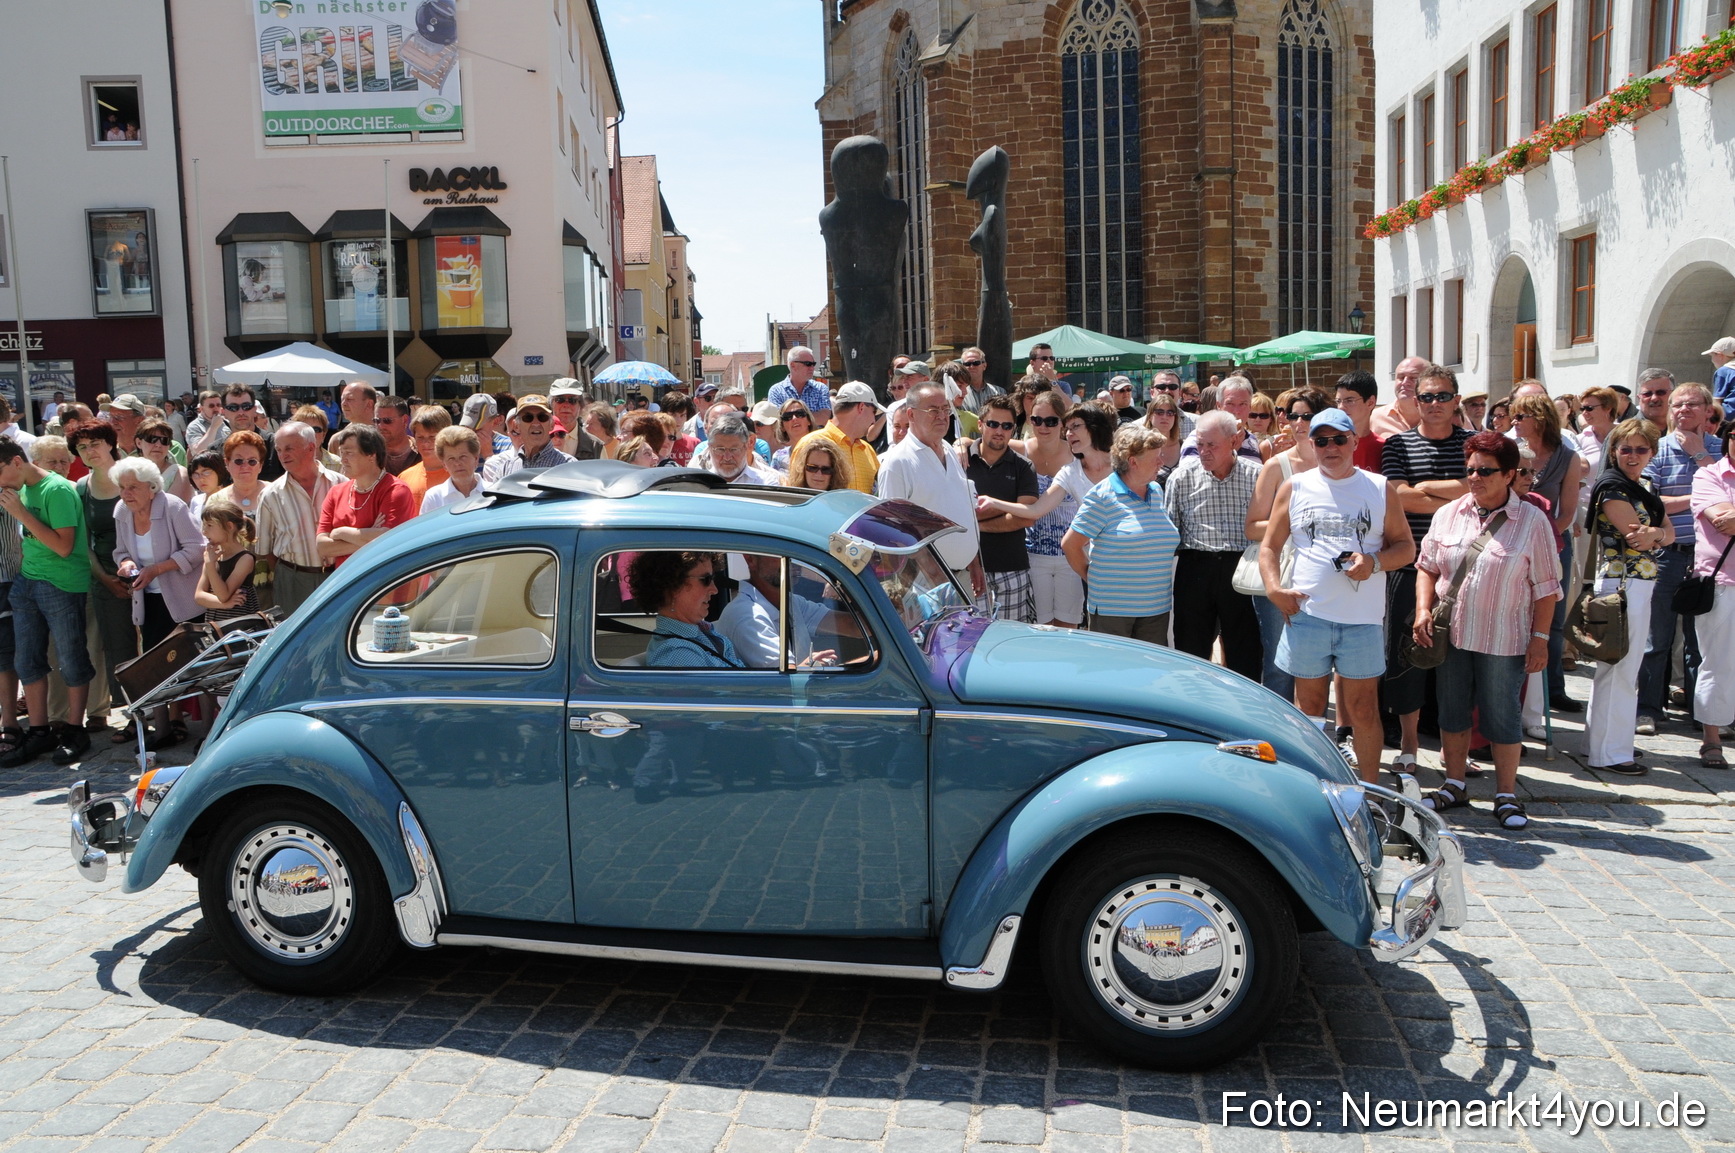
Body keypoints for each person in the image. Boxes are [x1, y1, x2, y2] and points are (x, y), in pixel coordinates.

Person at [1414, 432, 1560, 828]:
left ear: (1510, 474)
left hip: (1504, 637)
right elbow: (1427, 567)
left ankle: (1507, 794)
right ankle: (1454, 785)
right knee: (1452, 709)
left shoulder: (1532, 521)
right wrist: (1423, 609)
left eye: (1485, 471)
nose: (1475, 477)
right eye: (1471, 469)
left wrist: (1541, 640)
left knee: (1502, 714)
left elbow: (1547, 588)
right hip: (1452, 634)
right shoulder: (1449, 513)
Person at [1263, 409, 1415, 781]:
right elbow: (1269, 547)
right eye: (1321, 441)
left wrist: (1374, 562)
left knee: (1363, 710)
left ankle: (1368, 794)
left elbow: (1406, 548)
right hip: (1308, 615)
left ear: (1354, 441)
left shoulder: (1379, 488)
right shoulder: (1295, 486)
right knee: (1309, 708)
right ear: (1311, 444)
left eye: (1339, 439)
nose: (1331, 447)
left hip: (1361, 620)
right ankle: (1311, 787)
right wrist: (1274, 589)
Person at [1380, 363, 1470, 770]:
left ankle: (1455, 751)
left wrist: (1428, 489)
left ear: (1456, 400)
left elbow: (1482, 489)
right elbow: (1398, 496)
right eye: (1427, 397)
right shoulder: (1398, 445)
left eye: (1442, 396)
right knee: (1408, 659)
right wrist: (1459, 497)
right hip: (1409, 566)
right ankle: (1410, 745)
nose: (1434, 403)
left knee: (1459, 664)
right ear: (1416, 402)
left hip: (1464, 569)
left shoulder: (1472, 443)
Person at [1631, 382, 1724, 736]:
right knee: (1657, 639)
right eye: (1678, 404)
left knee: (1701, 642)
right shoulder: (1657, 449)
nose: (1683, 409)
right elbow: (1652, 503)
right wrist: (1700, 496)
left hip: (1709, 559)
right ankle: (1649, 709)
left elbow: (1728, 493)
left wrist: (1700, 456)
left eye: (1691, 404)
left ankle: (1704, 715)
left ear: (1707, 410)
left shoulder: (1720, 449)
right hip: (1668, 555)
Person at [1584, 418, 1671, 774]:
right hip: (1621, 584)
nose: (1633, 456)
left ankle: (1607, 742)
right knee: (1618, 668)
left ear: (1652, 452)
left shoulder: (1644, 484)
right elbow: (1636, 536)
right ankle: (1609, 753)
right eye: (1625, 449)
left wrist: (1656, 534)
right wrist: (1656, 534)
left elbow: (1667, 533)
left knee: (1623, 667)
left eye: (1641, 449)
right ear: (1614, 451)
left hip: (1640, 583)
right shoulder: (1612, 487)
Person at [0, 437, 92, 765]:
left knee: (71, 659)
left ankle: (75, 730)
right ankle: (39, 731)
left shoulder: (57, 490)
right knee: (26, 660)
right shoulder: (21, 488)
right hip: (27, 581)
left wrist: (21, 513)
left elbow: (64, 546)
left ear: (16, 462)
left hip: (61, 584)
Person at [110, 456, 204, 754]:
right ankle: (162, 730)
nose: (126, 493)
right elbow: (120, 551)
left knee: (194, 665)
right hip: (148, 600)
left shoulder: (173, 507)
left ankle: (207, 732)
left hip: (183, 599)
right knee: (154, 666)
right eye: (122, 487)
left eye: (133, 487)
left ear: (151, 488)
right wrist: (126, 564)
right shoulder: (122, 511)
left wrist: (157, 569)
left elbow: (197, 549)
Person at [1244, 388, 1329, 704]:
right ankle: (1277, 727)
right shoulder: (1277, 466)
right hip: (1283, 573)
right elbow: (1252, 527)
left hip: (1326, 576)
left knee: (1320, 662)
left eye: (1307, 416)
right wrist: (1295, 524)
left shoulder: (1336, 462)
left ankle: (1314, 726)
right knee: (1279, 663)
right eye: (1293, 415)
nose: (1299, 422)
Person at [1166, 411, 1263, 679]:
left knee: (1245, 652)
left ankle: (1244, 703)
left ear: (1233, 441)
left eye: (1212, 445)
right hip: (1195, 568)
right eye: (1199, 444)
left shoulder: (1257, 476)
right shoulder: (1181, 478)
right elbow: (1171, 534)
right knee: (1190, 651)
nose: (1204, 452)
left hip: (1242, 568)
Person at [1061, 425, 1179, 643]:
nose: (1161, 463)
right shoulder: (1102, 496)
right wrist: (1093, 579)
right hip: (1113, 613)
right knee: (1112, 665)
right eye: (1155, 458)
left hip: (1156, 611)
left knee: (1150, 666)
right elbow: (1070, 545)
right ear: (1133, 462)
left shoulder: (1156, 492)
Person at [1510, 393, 1586, 718]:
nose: (1513, 422)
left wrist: (1541, 538)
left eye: (1520, 416)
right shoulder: (1511, 451)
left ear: (1539, 419)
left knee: (1552, 619)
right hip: (1510, 540)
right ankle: (1517, 693)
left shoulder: (1568, 458)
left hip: (1554, 543)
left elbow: (1567, 512)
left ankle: (1553, 689)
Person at [876, 382, 983, 585]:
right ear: (911, 414)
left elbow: (962, 506)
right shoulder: (897, 463)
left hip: (961, 576)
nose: (942, 416)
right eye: (933, 410)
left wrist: (974, 561)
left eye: (945, 409)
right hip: (926, 583)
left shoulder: (948, 450)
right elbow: (893, 529)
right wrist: (934, 574)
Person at [69, 425, 133, 740]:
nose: (89, 451)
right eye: (82, 447)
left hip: (145, 575)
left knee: (151, 648)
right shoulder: (82, 487)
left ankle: (158, 715)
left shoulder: (132, 475)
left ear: (110, 443)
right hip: (104, 577)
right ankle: (130, 714)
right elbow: (84, 541)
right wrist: (105, 578)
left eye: (94, 443)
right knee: (118, 649)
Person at [964, 396, 1040, 623]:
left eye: (1007, 426)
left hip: (1011, 568)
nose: (999, 431)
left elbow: (1025, 517)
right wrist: (1008, 507)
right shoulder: (959, 460)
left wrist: (975, 525)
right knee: (970, 638)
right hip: (966, 569)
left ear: (1013, 430)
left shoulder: (1023, 466)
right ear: (980, 424)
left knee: (1010, 639)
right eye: (993, 424)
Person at [255, 422, 342, 615]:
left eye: (289, 448)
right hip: (293, 580)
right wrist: (292, 572)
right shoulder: (270, 495)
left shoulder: (341, 484)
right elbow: (265, 549)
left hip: (338, 575)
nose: (282, 455)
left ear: (310, 448)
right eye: (278, 450)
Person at [317, 425, 416, 570]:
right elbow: (322, 547)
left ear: (371, 455)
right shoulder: (336, 492)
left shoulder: (395, 490)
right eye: (341, 452)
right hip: (346, 579)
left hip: (385, 578)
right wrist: (370, 536)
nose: (343, 460)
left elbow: (389, 541)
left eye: (349, 453)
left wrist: (340, 532)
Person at [1690, 446, 1735, 767]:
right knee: (1717, 662)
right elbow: (1723, 520)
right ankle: (1711, 740)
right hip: (1722, 582)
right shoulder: (1708, 474)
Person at [718, 553, 838, 669]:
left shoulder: (791, 602)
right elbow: (786, 679)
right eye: (781, 554)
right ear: (750, 559)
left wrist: (842, 584)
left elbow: (844, 624)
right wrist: (812, 666)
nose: (793, 562)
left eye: (795, 553)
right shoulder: (746, 615)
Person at [632, 550, 746, 668]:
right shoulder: (679, 654)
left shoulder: (699, 634)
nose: (714, 590)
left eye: (713, 578)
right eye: (706, 580)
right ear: (674, 586)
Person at [797, 382, 881, 493]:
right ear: (861, 407)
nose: (873, 420)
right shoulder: (809, 444)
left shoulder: (868, 450)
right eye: (874, 412)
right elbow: (796, 494)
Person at [194, 498, 260, 624]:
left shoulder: (245, 559)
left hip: (240, 626)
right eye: (204, 525)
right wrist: (224, 605)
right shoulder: (211, 556)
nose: (204, 531)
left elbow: (223, 595)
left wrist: (210, 565)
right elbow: (199, 596)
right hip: (216, 626)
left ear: (229, 526)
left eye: (210, 525)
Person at [482, 395, 571, 482]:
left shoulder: (568, 465)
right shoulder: (505, 469)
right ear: (516, 426)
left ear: (552, 424)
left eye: (542, 417)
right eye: (528, 418)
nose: (536, 423)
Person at [1180, 376, 1261, 461]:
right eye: (1230, 404)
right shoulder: (1198, 439)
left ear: (1250, 407)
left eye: (1243, 404)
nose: (1236, 411)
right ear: (1219, 406)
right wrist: (1230, 451)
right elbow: (1190, 468)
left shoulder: (1252, 441)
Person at [397, 405, 453, 507]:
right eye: (420, 437)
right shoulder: (404, 478)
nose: (426, 443)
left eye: (432, 437)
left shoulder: (458, 476)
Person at [420, 426, 484, 514]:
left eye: (463, 457)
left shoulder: (493, 492)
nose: (457, 463)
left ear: (476, 459)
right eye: (451, 458)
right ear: (444, 464)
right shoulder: (434, 498)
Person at [1334, 371, 1386, 473]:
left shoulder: (1384, 448)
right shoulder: (1329, 445)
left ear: (1370, 403)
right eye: (1338, 401)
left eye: (1349, 400)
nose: (1341, 407)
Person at [768, 346, 832, 423]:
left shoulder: (821, 388)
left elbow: (824, 418)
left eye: (813, 364)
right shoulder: (776, 391)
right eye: (808, 364)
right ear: (793, 365)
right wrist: (810, 417)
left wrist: (790, 417)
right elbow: (778, 421)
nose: (812, 368)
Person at [135, 418, 190, 501]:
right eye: (152, 439)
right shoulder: (130, 471)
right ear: (139, 443)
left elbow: (171, 507)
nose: (158, 445)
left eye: (164, 440)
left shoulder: (180, 474)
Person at [217, 431, 269, 516]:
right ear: (227, 463)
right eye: (239, 461)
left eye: (252, 461)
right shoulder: (216, 500)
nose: (245, 466)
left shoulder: (275, 493)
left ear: (260, 465)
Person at [1371, 357, 1425, 436]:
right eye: (1401, 377)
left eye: (1413, 378)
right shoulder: (1374, 419)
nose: (1405, 382)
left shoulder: (1439, 418)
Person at [372, 395, 419, 476]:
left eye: (387, 420)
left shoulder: (423, 452)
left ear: (404, 420)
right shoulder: (369, 455)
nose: (381, 426)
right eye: (377, 420)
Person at [786, 436, 853, 492]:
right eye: (812, 468)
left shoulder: (842, 502)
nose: (819, 474)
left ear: (835, 473)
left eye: (826, 470)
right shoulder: (791, 500)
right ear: (802, 469)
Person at [956, 346, 1002, 414]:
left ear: (984, 366)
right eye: (967, 364)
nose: (972, 367)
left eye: (976, 363)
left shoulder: (999, 392)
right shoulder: (957, 394)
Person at [772, 401, 815, 472]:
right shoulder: (778, 457)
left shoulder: (823, 452)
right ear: (782, 427)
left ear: (809, 420)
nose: (794, 418)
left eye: (800, 414)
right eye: (787, 417)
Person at [187, 451, 228, 523]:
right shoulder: (196, 501)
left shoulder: (230, 500)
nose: (201, 479)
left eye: (206, 472)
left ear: (219, 472)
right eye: (196, 474)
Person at [185, 390, 230, 455]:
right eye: (211, 406)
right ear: (201, 408)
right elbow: (198, 450)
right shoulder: (194, 426)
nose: (216, 408)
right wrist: (213, 427)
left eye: (218, 405)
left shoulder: (227, 423)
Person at [1707, 336, 1735, 410]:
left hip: (1729, 414)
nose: (1712, 360)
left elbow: (1717, 402)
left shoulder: (1723, 371)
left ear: (1720, 355)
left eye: (1712, 355)